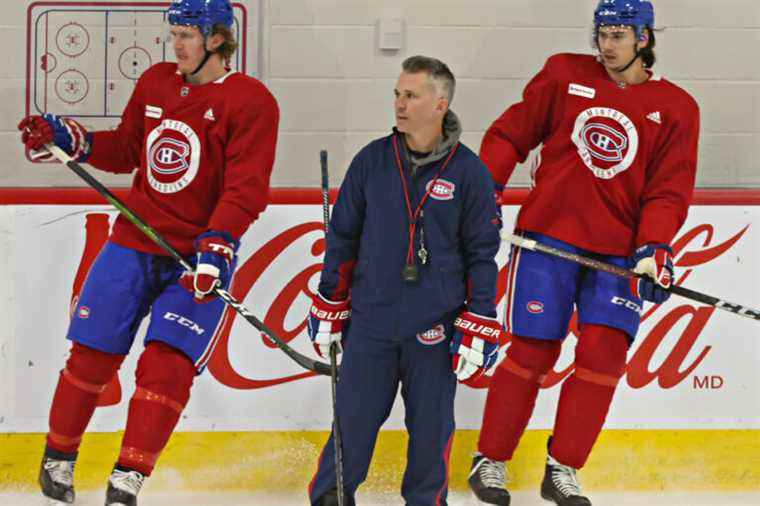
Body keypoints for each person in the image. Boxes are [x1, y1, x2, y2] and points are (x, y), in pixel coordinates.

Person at [17, 0, 279, 504]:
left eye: (187, 34)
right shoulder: (158, 82)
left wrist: (218, 244)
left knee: (168, 364)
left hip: (198, 258)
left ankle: (128, 477)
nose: (176, 44)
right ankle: (58, 458)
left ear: (217, 40)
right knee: (91, 354)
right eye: (174, 33)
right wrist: (70, 138)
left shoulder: (251, 101)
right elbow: (128, 148)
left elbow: (246, 188)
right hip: (134, 240)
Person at [467, 1, 700, 505]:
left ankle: (563, 468)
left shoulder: (677, 108)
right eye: (602, 33)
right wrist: (485, 187)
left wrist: (655, 248)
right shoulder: (563, 73)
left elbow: (668, 189)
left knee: (602, 356)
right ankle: (491, 460)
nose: (607, 44)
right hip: (547, 239)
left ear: (644, 38)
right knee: (532, 349)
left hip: (617, 255)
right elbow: (512, 132)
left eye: (619, 35)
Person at [306, 55, 502, 506]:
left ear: (440, 103)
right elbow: (342, 238)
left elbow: (482, 256)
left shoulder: (470, 173)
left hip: (434, 328)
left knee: (431, 436)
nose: (399, 104)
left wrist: (481, 315)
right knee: (351, 427)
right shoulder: (372, 161)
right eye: (397, 94)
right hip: (371, 323)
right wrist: (330, 300)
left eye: (410, 95)